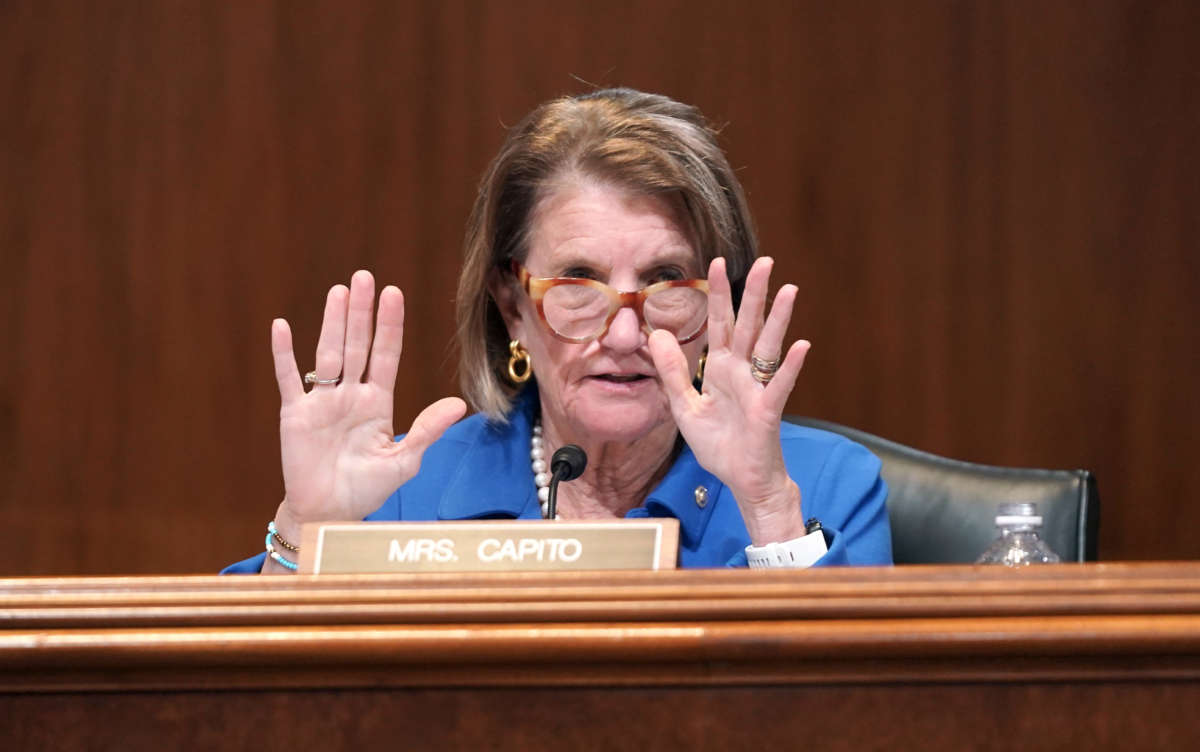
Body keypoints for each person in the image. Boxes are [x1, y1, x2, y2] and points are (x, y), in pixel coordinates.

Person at [224, 88, 891, 574]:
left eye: (665, 280)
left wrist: (767, 510)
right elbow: (242, 717)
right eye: (577, 283)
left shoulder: (822, 485)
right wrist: (306, 532)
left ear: (720, 308)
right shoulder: (402, 496)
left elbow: (866, 720)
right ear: (511, 305)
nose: (626, 334)